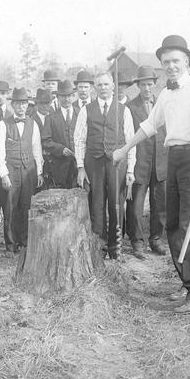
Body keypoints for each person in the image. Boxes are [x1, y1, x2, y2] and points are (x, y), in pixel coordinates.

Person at [112, 35, 190, 313]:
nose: (171, 66)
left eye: (176, 61)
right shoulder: (166, 94)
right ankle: (186, 281)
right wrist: (124, 149)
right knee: (172, 225)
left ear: (187, 61)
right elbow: (149, 125)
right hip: (174, 159)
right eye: (166, 62)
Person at [75, 72, 136, 259]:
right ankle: (99, 247)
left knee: (116, 205)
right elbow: (79, 140)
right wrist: (80, 167)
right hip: (94, 163)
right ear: (95, 87)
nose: (103, 88)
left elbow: (130, 141)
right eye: (99, 85)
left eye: (106, 84)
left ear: (113, 86)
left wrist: (131, 169)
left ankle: (115, 247)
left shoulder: (123, 110)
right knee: (97, 204)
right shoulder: (86, 110)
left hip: (116, 164)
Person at [125, 65, 168, 259]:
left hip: (160, 162)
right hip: (140, 162)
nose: (147, 89)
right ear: (138, 86)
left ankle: (156, 238)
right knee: (136, 205)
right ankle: (137, 241)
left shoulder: (164, 104)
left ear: (155, 84)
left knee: (160, 204)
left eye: (150, 84)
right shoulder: (130, 108)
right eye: (143, 85)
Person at [0, 88, 43, 252]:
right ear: (13, 104)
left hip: (28, 170)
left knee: (26, 206)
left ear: (27, 105)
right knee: (10, 207)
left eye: (24, 104)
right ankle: (10, 243)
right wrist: (4, 174)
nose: (21, 107)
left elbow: (37, 149)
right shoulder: (4, 124)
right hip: (11, 171)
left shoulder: (33, 123)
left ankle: (24, 241)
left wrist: (39, 172)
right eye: (18, 104)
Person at [42, 80, 78, 189]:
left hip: (80, 165)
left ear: (73, 96)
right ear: (57, 97)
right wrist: (60, 149)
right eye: (63, 96)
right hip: (60, 167)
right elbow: (45, 141)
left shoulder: (81, 113)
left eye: (69, 96)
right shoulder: (51, 118)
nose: (67, 99)